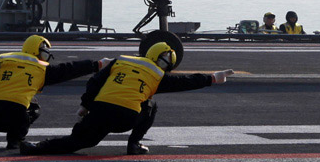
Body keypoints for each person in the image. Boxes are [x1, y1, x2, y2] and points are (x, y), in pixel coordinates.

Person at [19, 42, 234, 155]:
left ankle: (35, 148)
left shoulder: (119, 61)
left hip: (99, 111)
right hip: (126, 118)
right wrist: (213, 78)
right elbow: (186, 81)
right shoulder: (158, 75)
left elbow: (95, 82)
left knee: (78, 142)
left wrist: (85, 105)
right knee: (150, 104)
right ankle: (134, 144)